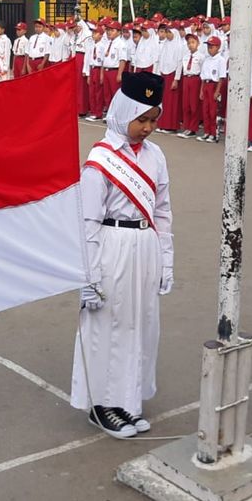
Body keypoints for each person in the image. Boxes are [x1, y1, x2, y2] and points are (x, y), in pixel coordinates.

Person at [71, 72, 173, 439]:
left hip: (144, 246)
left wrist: (166, 259)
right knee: (109, 325)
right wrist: (88, 274)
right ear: (124, 111)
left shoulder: (156, 155)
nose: (147, 128)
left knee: (140, 324)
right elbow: (88, 221)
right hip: (112, 246)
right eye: (141, 119)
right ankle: (102, 405)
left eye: (153, 120)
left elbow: (162, 210)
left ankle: (128, 400)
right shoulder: (101, 159)